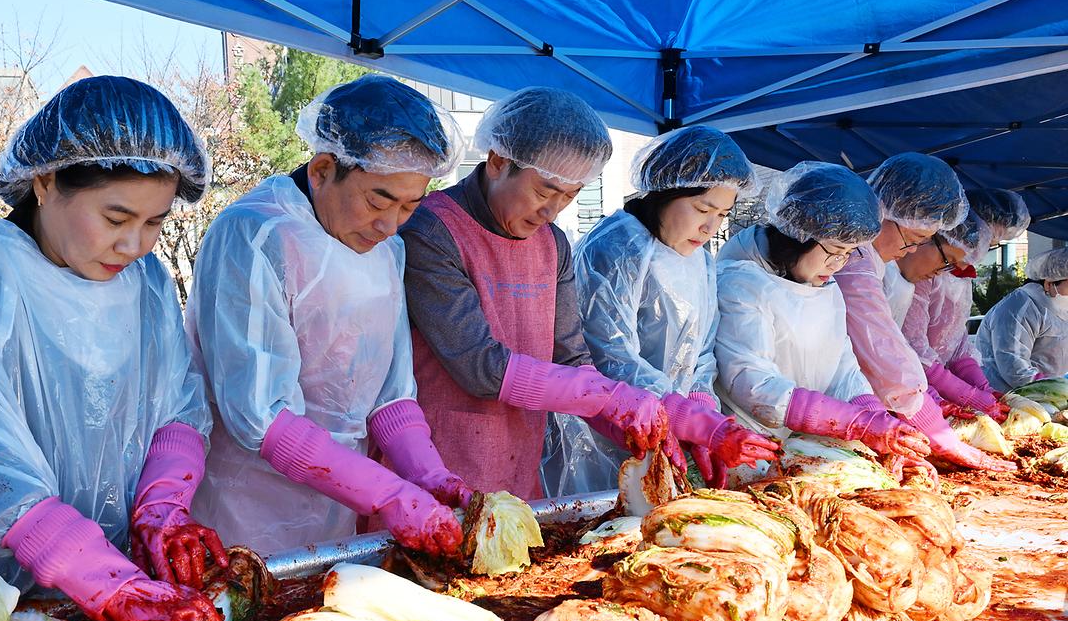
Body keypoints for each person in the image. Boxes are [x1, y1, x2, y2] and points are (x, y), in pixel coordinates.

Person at [0, 75, 230, 621]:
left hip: (109, 587)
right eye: (117, 219)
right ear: (45, 182)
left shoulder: (145, 282)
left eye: (155, 223)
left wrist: (163, 505)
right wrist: (99, 575)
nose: (135, 246)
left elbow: (177, 405)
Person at [187, 76, 467, 556]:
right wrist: (389, 493)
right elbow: (262, 417)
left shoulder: (388, 250)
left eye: (409, 206)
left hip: (337, 506)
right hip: (245, 510)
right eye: (378, 200)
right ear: (321, 170)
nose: (389, 224)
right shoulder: (256, 234)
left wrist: (427, 474)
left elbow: (390, 395)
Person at [401, 87, 675, 501]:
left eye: (570, 195)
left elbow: (571, 359)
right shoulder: (432, 231)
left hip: (519, 472)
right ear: (497, 161)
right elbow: (481, 366)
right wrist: (608, 399)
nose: (553, 211)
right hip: (434, 476)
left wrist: (635, 420)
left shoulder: (554, 244)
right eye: (545, 190)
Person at [541, 126, 777, 495]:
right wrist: (689, 419)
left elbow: (700, 353)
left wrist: (700, 409)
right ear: (665, 193)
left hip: (671, 427)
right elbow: (609, 356)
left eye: (723, 214)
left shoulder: (700, 259)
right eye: (702, 209)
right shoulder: (616, 248)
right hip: (602, 434)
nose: (710, 226)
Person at [715, 162, 930, 469]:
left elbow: (842, 369)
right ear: (797, 235)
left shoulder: (826, 288)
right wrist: (854, 423)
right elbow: (754, 384)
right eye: (834, 250)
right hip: (744, 452)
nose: (839, 263)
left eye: (850, 252)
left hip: (799, 450)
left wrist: (873, 415)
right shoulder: (740, 284)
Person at [832, 153, 1010, 470]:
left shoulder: (871, 261)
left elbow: (867, 360)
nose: (911, 250)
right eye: (913, 239)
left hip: (848, 411)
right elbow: (884, 353)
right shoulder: (853, 263)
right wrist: (939, 429)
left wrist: (930, 403)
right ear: (885, 211)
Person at [902, 210, 1009, 420]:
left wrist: (982, 388)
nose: (977, 252)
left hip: (917, 391)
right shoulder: (915, 276)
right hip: (905, 392)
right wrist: (964, 395)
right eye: (949, 259)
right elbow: (911, 352)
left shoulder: (957, 277)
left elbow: (955, 343)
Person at [977, 247, 1068, 391]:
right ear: (1049, 282)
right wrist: (1055, 388)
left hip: (1050, 394)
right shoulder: (1019, 308)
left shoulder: (1059, 306)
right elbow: (1015, 368)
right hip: (1010, 396)